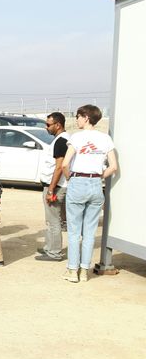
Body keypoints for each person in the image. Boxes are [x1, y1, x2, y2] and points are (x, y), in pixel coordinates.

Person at [61, 104, 118, 283]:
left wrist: (70, 178)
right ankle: (84, 270)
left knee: (74, 231)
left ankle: (72, 270)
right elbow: (114, 167)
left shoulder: (77, 137)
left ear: (86, 117)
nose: (76, 119)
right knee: (90, 231)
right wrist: (99, 175)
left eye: (78, 116)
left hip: (78, 182)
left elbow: (64, 164)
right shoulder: (105, 138)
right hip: (95, 184)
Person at [35, 112, 71, 262]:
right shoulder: (61, 139)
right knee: (50, 220)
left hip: (56, 187)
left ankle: (54, 252)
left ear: (58, 125)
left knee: (53, 220)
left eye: (48, 124)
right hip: (54, 185)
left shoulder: (62, 141)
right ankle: (49, 247)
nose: (46, 127)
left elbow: (59, 167)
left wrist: (51, 189)